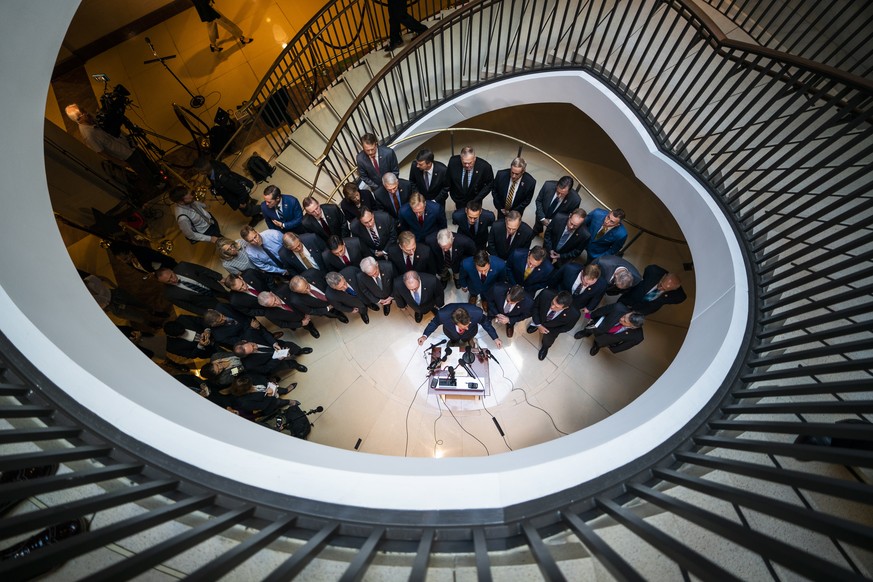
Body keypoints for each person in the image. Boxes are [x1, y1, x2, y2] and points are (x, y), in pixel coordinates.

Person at [64, 103, 162, 195]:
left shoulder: (92, 118)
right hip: (125, 155)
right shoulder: (88, 135)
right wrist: (120, 162)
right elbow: (101, 152)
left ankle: (161, 177)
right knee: (144, 172)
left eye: (85, 110)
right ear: (78, 119)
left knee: (148, 162)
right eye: (84, 113)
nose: (87, 113)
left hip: (130, 146)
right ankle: (158, 187)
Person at [194, 156, 260, 220]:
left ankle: (260, 212)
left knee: (247, 212)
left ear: (204, 172)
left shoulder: (222, 179)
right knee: (247, 202)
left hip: (237, 196)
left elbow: (241, 190)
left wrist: (240, 203)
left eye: (199, 172)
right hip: (235, 189)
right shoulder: (213, 165)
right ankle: (252, 202)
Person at [155, 262, 230, 316]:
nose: (173, 280)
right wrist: (205, 312)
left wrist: (220, 277)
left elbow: (203, 270)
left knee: (233, 298)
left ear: (171, 270)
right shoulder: (170, 295)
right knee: (229, 312)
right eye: (168, 281)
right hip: (209, 304)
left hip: (215, 288)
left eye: (171, 276)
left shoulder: (183, 266)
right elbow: (188, 306)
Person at [526, 289, 581, 360]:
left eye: (557, 307)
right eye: (552, 303)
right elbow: (535, 307)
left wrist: (548, 330)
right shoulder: (545, 294)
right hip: (540, 318)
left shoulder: (574, 314)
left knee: (548, 340)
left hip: (552, 329)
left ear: (566, 307)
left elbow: (566, 328)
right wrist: (538, 324)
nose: (552, 307)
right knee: (536, 320)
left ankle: (545, 347)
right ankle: (535, 326)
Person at [419, 304, 502, 349]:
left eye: (468, 324)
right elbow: (434, 323)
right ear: (455, 322)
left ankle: (467, 340)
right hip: (450, 332)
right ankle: (454, 341)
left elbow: (486, 323)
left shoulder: (477, 313)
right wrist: (424, 336)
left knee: (468, 336)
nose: (467, 328)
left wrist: (495, 338)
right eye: (464, 327)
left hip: (471, 333)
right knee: (454, 338)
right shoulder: (442, 315)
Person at [575, 303, 645, 356]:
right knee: (590, 328)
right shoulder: (618, 307)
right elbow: (601, 311)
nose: (621, 319)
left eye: (625, 321)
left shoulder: (637, 337)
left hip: (609, 338)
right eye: (624, 316)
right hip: (601, 324)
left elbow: (625, 346)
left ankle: (597, 345)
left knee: (601, 342)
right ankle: (585, 332)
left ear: (632, 326)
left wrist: (614, 348)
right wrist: (591, 316)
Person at [280, 273, 350, 324]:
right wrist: (327, 308)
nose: (308, 290)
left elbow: (328, 281)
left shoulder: (313, 273)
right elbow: (310, 311)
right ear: (296, 292)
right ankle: (339, 315)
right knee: (334, 313)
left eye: (307, 286)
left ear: (304, 279)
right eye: (303, 291)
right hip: (324, 307)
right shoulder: (296, 301)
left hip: (333, 296)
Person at [618, 265, 687, 315]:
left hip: (645, 308)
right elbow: (647, 272)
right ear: (663, 277)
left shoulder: (678, 296)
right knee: (621, 304)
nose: (660, 289)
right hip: (633, 296)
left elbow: (682, 298)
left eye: (664, 289)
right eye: (661, 285)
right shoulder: (653, 271)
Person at [233, 338, 310, 375]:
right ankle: (294, 365)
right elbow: (265, 369)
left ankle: (299, 351)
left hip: (275, 346)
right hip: (272, 361)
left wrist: (274, 344)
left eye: (252, 345)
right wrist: (278, 359)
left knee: (292, 347)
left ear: (244, 341)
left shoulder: (250, 334)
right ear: (247, 355)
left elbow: (265, 334)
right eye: (252, 350)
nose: (255, 347)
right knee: (283, 365)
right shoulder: (250, 364)